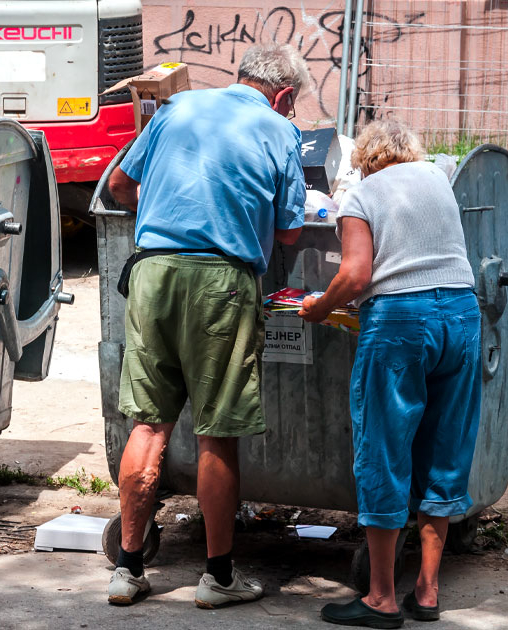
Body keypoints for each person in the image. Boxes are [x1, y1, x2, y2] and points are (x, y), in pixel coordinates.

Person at [105, 43, 311, 608]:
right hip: (221, 281)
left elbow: (119, 186)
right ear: (285, 95)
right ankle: (218, 578)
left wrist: (165, 214)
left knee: (147, 425)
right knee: (215, 431)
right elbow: (291, 233)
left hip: (152, 274)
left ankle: (128, 570)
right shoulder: (278, 129)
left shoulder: (177, 108)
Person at [298, 119, 482, 628]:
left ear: (366, 158)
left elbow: (356, 274)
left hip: (402, 322)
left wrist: (320, 306)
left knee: (384, 449)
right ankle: (427, 590)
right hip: (462, 317)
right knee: (444, 450)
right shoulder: (438, 180)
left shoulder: (363, 193)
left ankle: (380, 598)